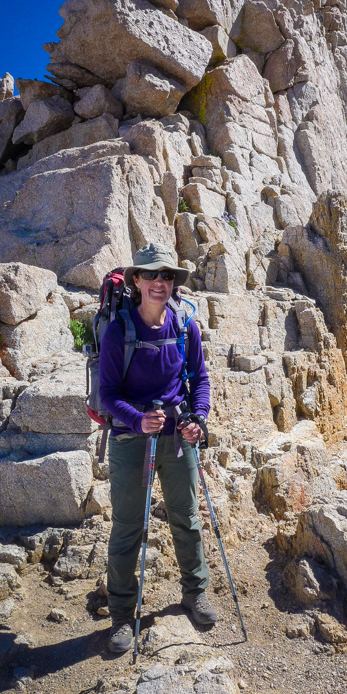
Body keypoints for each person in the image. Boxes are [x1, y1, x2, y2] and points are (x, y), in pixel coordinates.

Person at [99, 243, 217, 653]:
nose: (159, 282)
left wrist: (198, 418)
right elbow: (108, 393)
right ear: (136, 281)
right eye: (149, 275)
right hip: (131, 439)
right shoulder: (119, 331)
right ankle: (121, 615)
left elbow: (200, 379)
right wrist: (137, 420)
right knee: (128, 526)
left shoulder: (185, 325)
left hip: (177, 435)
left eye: (166, 275)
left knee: (186, 516)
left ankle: (195, 593)